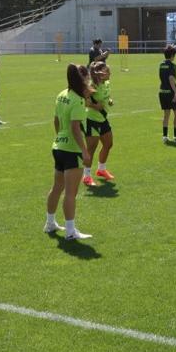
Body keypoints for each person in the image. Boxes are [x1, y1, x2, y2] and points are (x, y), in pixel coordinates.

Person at [45, 63, 93, 240]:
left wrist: (59, 138)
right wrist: (85, 151)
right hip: (72, 150)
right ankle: (70, 231)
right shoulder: (77, 100)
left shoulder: (62, 95)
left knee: (57, 187)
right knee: (71, 193)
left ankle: (50, 223)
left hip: (58, 146)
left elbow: (56, 120)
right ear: (83, 79)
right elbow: (75, 127)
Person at [82, 61, 115, 186]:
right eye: (108, 72)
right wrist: (96, 106)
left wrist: (109, 100)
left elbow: (106, 95)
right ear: (101, 74)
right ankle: (86, 176)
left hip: (103, 119)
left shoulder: (106, 83)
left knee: (108, 143)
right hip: (92, 119)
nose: (110, 74)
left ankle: (101, 170)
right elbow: (84, 101)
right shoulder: (92, 86)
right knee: (91, 148)